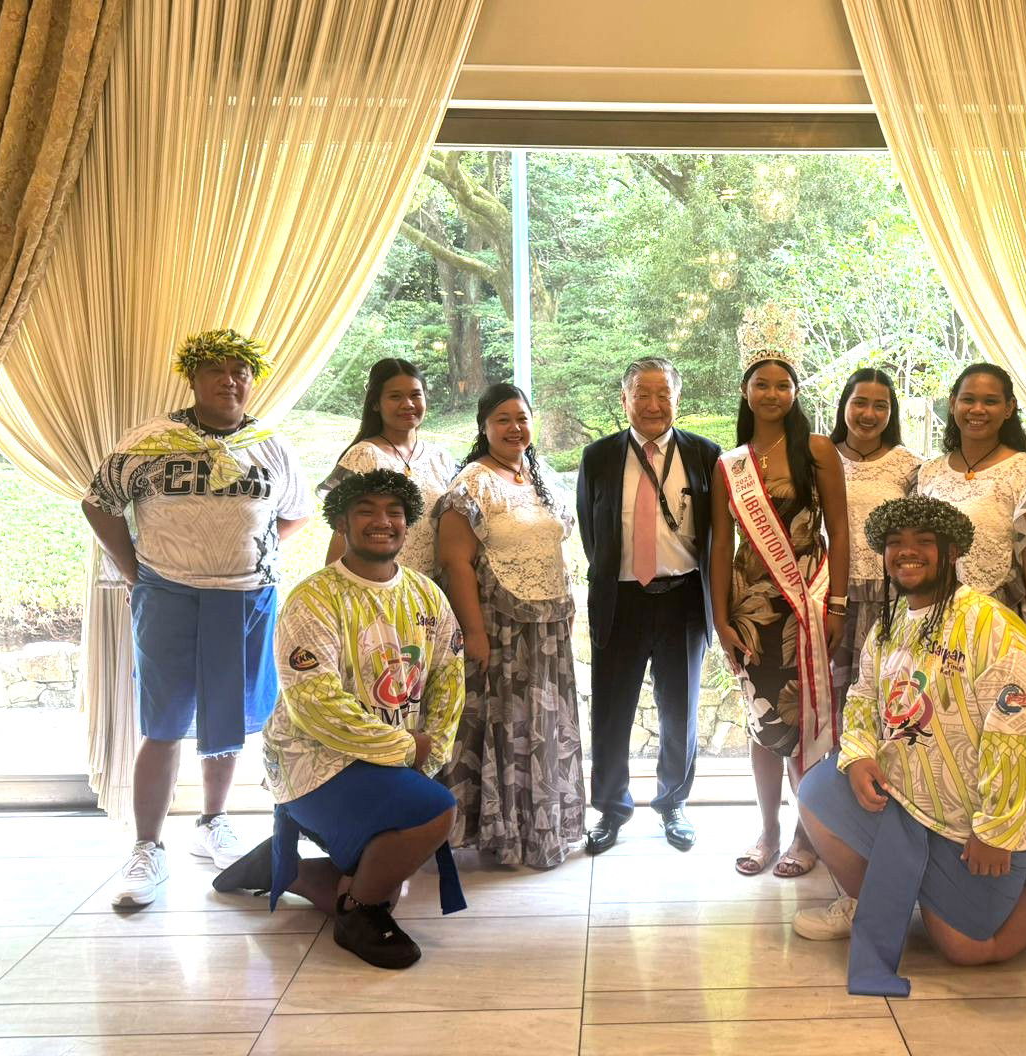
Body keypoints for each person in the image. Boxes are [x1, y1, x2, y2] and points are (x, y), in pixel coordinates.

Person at [792, 496, 1026, 993]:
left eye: (923, 543)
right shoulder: (889, 625)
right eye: (896, 543)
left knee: (967, 948)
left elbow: (1018, 735)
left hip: (971, 822)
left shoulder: (992, 625)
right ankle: (872, 901)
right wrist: (858, 755)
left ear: (953, 551)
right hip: (906, 801)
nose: (907, 553)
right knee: (816, 791)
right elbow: (861, 699)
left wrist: (996, 830)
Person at [82, 328, 310, 908]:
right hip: (169, 594)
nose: (230, 380)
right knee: (162, 724)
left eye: (240, 371)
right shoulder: (151, 441)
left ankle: (212, 823)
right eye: (217, 370)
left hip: (246, 599)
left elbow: (294, 514)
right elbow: (98, 501)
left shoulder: (270, 444)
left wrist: (255, 552)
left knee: (226, 719)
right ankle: (147, 848)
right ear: (192, 377)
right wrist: (135, 570)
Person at [213, 469, 465, 970]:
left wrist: (429, 752)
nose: (383, 521)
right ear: (342, 523)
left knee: (388, 878)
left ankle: (292, 871)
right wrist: (403, 750)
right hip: (312, 760)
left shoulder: (426, 596)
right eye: (367, 510)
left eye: (394, 512)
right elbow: (317, 704)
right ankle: (356, 915)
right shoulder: (313, 600)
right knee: (435, 813)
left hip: (387, 761)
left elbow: (450, 679)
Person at [709, 306, 850, 878]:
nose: (773, 393)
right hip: (751, 611)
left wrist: (837, 602)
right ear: (745, 391)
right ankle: (767, 829)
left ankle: (806, 834)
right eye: (762, 384)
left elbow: (839, 531)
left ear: (796, 391)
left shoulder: (816, 451)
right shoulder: (729, 465)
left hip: (808, 606)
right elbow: (721, 546)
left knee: (812, 721)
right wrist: (720, 617)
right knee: (764, 723)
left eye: (783, 384)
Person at [917, 363, 1026, 842]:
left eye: (990, 401)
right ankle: (942, 855)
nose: (977, 409)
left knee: (1007, 741)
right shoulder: (927, 474)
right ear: (953, 403)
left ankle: (1025, 859)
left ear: (1008, 409)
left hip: (1002, 629)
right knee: (940, 738)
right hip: (936, 627)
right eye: (968, 399)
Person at [435, 383, 584, 868]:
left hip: (547, 627)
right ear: (483, 426)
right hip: (499, 628)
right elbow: (455, 563)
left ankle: (545, 830)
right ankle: (504, 836)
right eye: (503, 419)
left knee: (544, 728)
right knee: (507, 728)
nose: (514, 427)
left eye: (522, 418)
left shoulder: (539, 475)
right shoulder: (472, 484)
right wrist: (473, 633)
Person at [576, 357, 721, 855]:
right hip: (622, 600)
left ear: (678, 400)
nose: (653, 404)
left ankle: (673, 803)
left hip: (683, 598)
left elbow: (717, 537)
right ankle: (611, 809)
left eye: (664, 394)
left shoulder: (705, 455)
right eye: (642, 394)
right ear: (625, 399)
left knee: (680, 710)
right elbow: (594, 536)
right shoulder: (598, 458)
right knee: (613, 712)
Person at [831, 369, 921, 722]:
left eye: (880, 406)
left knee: (890, 699)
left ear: (891, 412)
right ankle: (835, 774)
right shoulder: (820, 457)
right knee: (833, 700)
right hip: (831, 598)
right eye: (860, 403)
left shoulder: (911, 466)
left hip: (891, 600)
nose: (869, 415)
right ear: (844, 406)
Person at [321, 358, 456, 576]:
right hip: (377, 585)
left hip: (431, 589)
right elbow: (341, 532)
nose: (408, 404)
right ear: (375, 403)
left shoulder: (441, 458)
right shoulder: (364, 455)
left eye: (415, 395)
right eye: (395, 396)